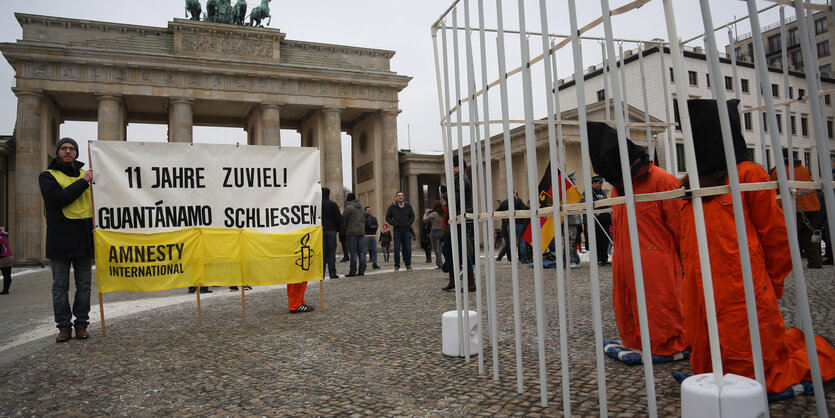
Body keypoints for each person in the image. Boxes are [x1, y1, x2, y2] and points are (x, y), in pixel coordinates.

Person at [679, 98, 835, 394]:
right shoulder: (691, 182)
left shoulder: (750, 174)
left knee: (754, 367)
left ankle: (821, 353)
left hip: (741, 286)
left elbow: (777, 237)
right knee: (708, 357)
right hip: (700, 289)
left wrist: (769, 282)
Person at [587, 121, 687, 358]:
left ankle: (667, 344)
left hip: (658, 264)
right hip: (625, 259)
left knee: (659, 305)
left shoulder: (664, 182)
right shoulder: (618, 188)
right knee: (627, 303)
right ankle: (633, 339)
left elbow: (684, 231)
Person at [39, 137, 94, 342]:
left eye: (72, 148)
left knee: (84, 286)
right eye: (64, 148)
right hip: (59, 239)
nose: (68, 151)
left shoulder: (85, 174)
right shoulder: (47, 176)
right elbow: (58, 199)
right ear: (58, 152)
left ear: (77, 153)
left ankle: (81, 324)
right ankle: (64, 327)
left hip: (83, 238)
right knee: (60, 286)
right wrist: (84, 182)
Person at [770, 149, 823, 269]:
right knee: (810, 236)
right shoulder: (804, 169)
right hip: (812, 205)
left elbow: (773, 188)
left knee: (788, 237)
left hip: (793, 206)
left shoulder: (779, 170)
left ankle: (786, 263)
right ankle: (815, 262)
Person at [441, 155, 475, 292]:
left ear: (461, 167)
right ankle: (453, 279)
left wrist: (444, 193)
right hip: (456, 218)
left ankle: (470, 282)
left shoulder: (461, 178)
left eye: (454, 166)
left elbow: (457, 199)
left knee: (462, 250)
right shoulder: (456, 179)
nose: (452, 168)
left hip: (462, 217)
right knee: (447, 249)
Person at [385, 191, 415, 271]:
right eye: (399, 195)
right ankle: (397, 265)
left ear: (403, 197)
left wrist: (409, 223)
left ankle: (408, 264)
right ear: (396, 197)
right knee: (396, 248)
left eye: (402, 195)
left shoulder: (408, 206)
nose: (400, 197)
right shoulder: (392, 207)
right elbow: (387, 218)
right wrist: (393, 223)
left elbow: (412, 216)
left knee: (407, 248)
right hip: (397, 230)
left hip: (406, 230)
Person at [495, 191, 528, 263]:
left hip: (509, 224)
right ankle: (524, 258)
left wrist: (505, 216)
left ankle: (512, 258)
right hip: (519, 223)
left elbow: (497, 211)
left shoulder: (504, 202)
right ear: (514, 194)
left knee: (511, 242)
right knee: (522, 242)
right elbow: (525, 211)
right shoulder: (519, 201)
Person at [343, 193, 366, 277]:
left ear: (348, 200)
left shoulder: (349, 208)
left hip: (352, 232)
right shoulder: (362, 208)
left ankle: (352, 271)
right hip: (361, 232)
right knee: (361, 253)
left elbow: (343, 218)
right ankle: (362, 271)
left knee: (353, 253)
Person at [590, 176, 612, 266]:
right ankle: (598, 259)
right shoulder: (590, 192)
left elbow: (605, 202)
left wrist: (608, 209)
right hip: (596, 221)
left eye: (601, 183)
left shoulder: (603, 192)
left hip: (605, 219)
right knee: (597, 240)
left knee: (605, 240)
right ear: (594, 183)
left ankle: (604, 258)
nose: (600, 185)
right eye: (599, 183)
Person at [321, 187, 341, 279]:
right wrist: (338, 229)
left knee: (323, 253)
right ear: (329, 194)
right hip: (331, 230)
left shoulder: (318, 204)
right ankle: (332, 273)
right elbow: (338, 218)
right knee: (331, 253)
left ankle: (321, 274)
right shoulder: (333, 204)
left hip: (320, 231)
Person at [423, 201, 445, 268]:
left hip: (435, 232)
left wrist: (425, 213)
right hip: (442, 232)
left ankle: (439, 263)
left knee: (436, 249)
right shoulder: (442, 214)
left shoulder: (434, 214)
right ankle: (439, 262)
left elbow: (425, 220)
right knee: (440, 249)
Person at [0, 227, 13, 294]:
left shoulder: (0, 238)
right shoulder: (4, 237)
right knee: (7, 275)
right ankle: (6, 289)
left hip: (3, 258)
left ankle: (5, 290)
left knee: (5, 275)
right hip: (9, 257)